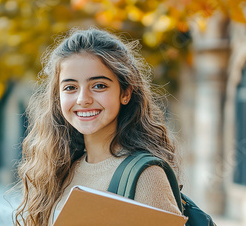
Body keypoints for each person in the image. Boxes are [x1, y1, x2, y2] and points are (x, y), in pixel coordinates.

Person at [13, 28, 182, 226]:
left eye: (99, 85)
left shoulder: (145, 175)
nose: (83, 99)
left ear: (125, 93)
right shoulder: (57, 171)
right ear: (58, 98)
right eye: (70, 87)